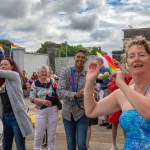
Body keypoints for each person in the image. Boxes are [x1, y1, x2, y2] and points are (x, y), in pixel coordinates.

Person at [84, 35, 150, 150]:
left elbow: (148, 112)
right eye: (131, 56)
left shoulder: (124, 89)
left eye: (141, 55)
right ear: (128, 63)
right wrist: (89, 82)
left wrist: (121, 83)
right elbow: (91, 111)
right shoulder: (122, 94)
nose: (136, 59)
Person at [57, 50, 89, 150]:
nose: (80, 59)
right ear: (74, 58)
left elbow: (94, 90)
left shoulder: (88, 75)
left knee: (81, 145)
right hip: (67, 114)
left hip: (82, 113)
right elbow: (60, 92)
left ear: (86, 60)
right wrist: (75, 95)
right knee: (70, 146)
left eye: (83, 57)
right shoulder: (66, 72)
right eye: (78, 56)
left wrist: (94, 94)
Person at [0, 58, 33, 150]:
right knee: (6, 146)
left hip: (16, 117)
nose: (3, 66)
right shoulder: (2, 82)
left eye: (5, 64)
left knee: (20, 146)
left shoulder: (15, 75)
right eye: (1, 65)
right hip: (5, 117)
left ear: (12, 66)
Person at [29, 64, 58, 150]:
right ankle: (37, 148)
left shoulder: (52, 81)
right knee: (39, 133)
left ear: (48, 73)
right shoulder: (35, 84)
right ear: (38, 73)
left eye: (46, 71)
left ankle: (51, 148)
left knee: (52, 133)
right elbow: (31, 98)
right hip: (40, 111)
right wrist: (42, 101)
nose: (44, 73)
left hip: (53, 110)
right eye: (42, 72)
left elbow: (58, 91)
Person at [96, 57, 111, 126]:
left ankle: (107, 121)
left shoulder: (105, 69)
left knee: (106, 104)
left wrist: (98, 80)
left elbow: (107, 80)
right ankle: (104, 120)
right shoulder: (98, 70)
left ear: (100, 62)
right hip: (101, 89)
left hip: (106, 89)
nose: (96, 63)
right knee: (102, 104)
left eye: (97, 62)